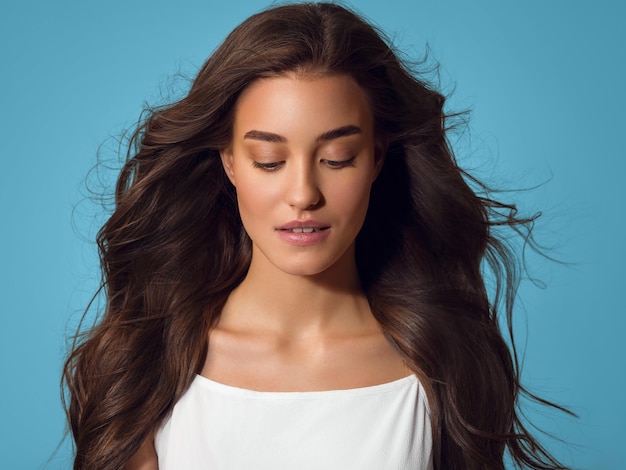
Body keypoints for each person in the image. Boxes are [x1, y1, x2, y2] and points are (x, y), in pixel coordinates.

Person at [63, 2, 571, 469]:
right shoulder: (149, 365)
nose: (303, 193)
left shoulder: (440, 366)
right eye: (270, 161)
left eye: (336, 159)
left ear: (375, 157)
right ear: (229, 160)